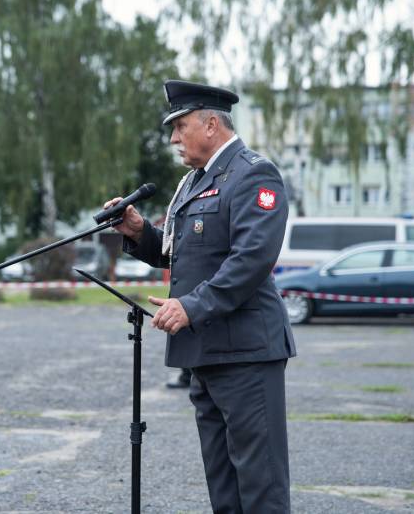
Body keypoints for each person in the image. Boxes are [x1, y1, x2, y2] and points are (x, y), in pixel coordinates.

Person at [103, 79, 296, 513]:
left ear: (211, 125)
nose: (173, 138)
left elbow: (252, 260)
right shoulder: (194, 182)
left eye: (180, 126)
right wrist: (140, 232)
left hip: (246, 353)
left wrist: (190, 306)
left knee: (260, 486)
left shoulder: (253, 174)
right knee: (223, 487)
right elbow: (185, 253)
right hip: (205, 352)